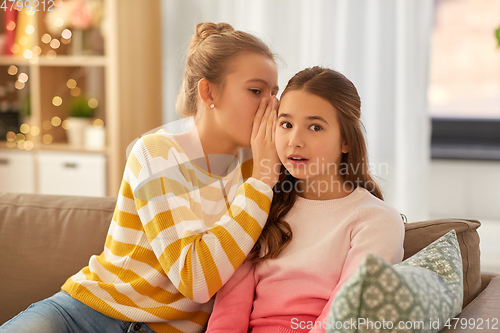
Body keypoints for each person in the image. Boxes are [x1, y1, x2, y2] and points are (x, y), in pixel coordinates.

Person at [0, 22, 281, 333]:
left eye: (274, 93)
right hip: (86, 314)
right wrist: (262, 180)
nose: (271, 106)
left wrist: (265, 176)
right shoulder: (157, 153)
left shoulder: (260, 171)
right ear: (208, 91)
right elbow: (195, 275)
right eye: (256, 91)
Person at [205, 66, 405, 333]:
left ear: (346, 140)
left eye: (315, 127)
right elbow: (229, 312)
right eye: (286, 124)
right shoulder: (260, 205)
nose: (295, 141)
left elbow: (344, 316)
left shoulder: (376, 220)